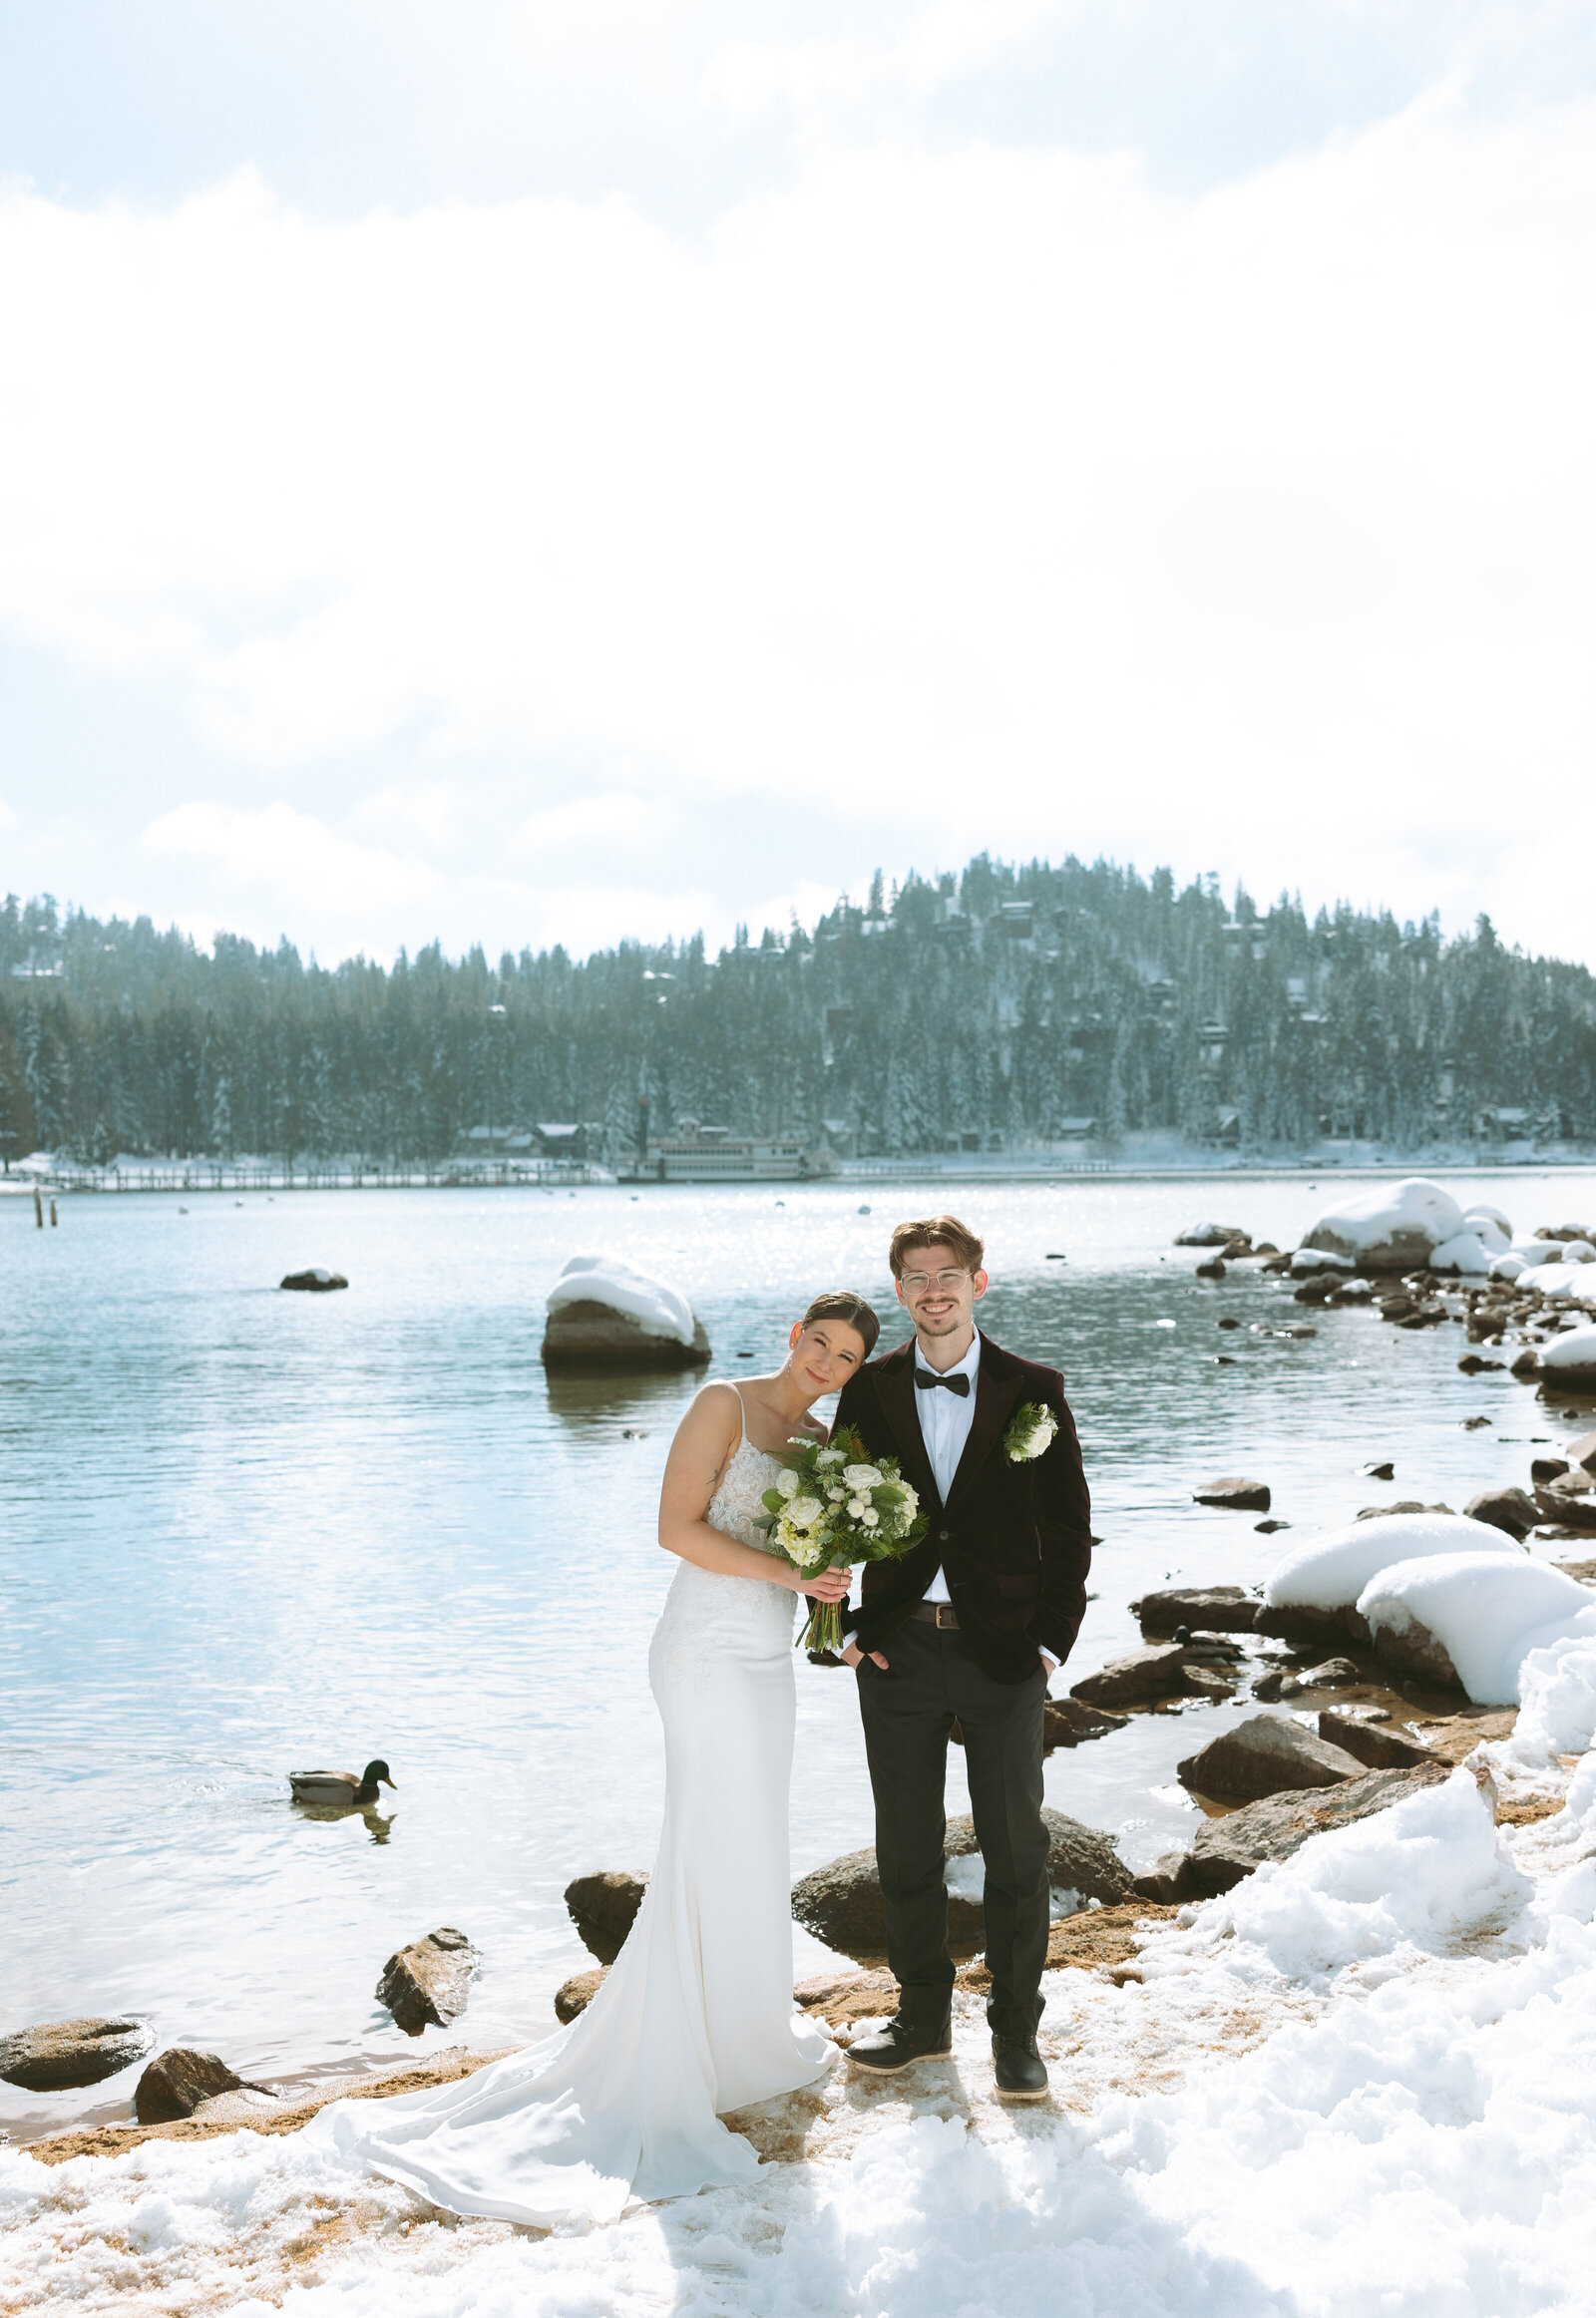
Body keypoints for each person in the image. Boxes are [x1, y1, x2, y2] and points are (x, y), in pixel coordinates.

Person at [305, 1290, 880, 2226]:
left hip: (770, 1657)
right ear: (794, 1338)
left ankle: (741, 2036)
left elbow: (819, 1558)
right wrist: (790, 1574)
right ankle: (675, 2049)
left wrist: (838, 1625)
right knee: (703, 1833)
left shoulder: (822, 1445)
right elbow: (676, 1532)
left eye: (847, 1356)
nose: (826, 1363)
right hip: (703, 1649)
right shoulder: (722, 1406)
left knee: (749, 1839)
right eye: (819, 1343)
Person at [833, 1216, 1092, 2102]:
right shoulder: (867, 1390)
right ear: (899, 1292)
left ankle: (1017, 2034)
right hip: (896, 1649)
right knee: (904, 1847)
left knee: (1018, 1849)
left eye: (949, 1274)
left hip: (1004, 1653)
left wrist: (1052, 1645)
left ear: (979, 1282)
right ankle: (920, 2020)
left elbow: (1067, 1531)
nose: (933, 1290)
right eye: (916, 1277)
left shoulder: (1034, 1389)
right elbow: (835, 1510)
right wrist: (847, 1625)